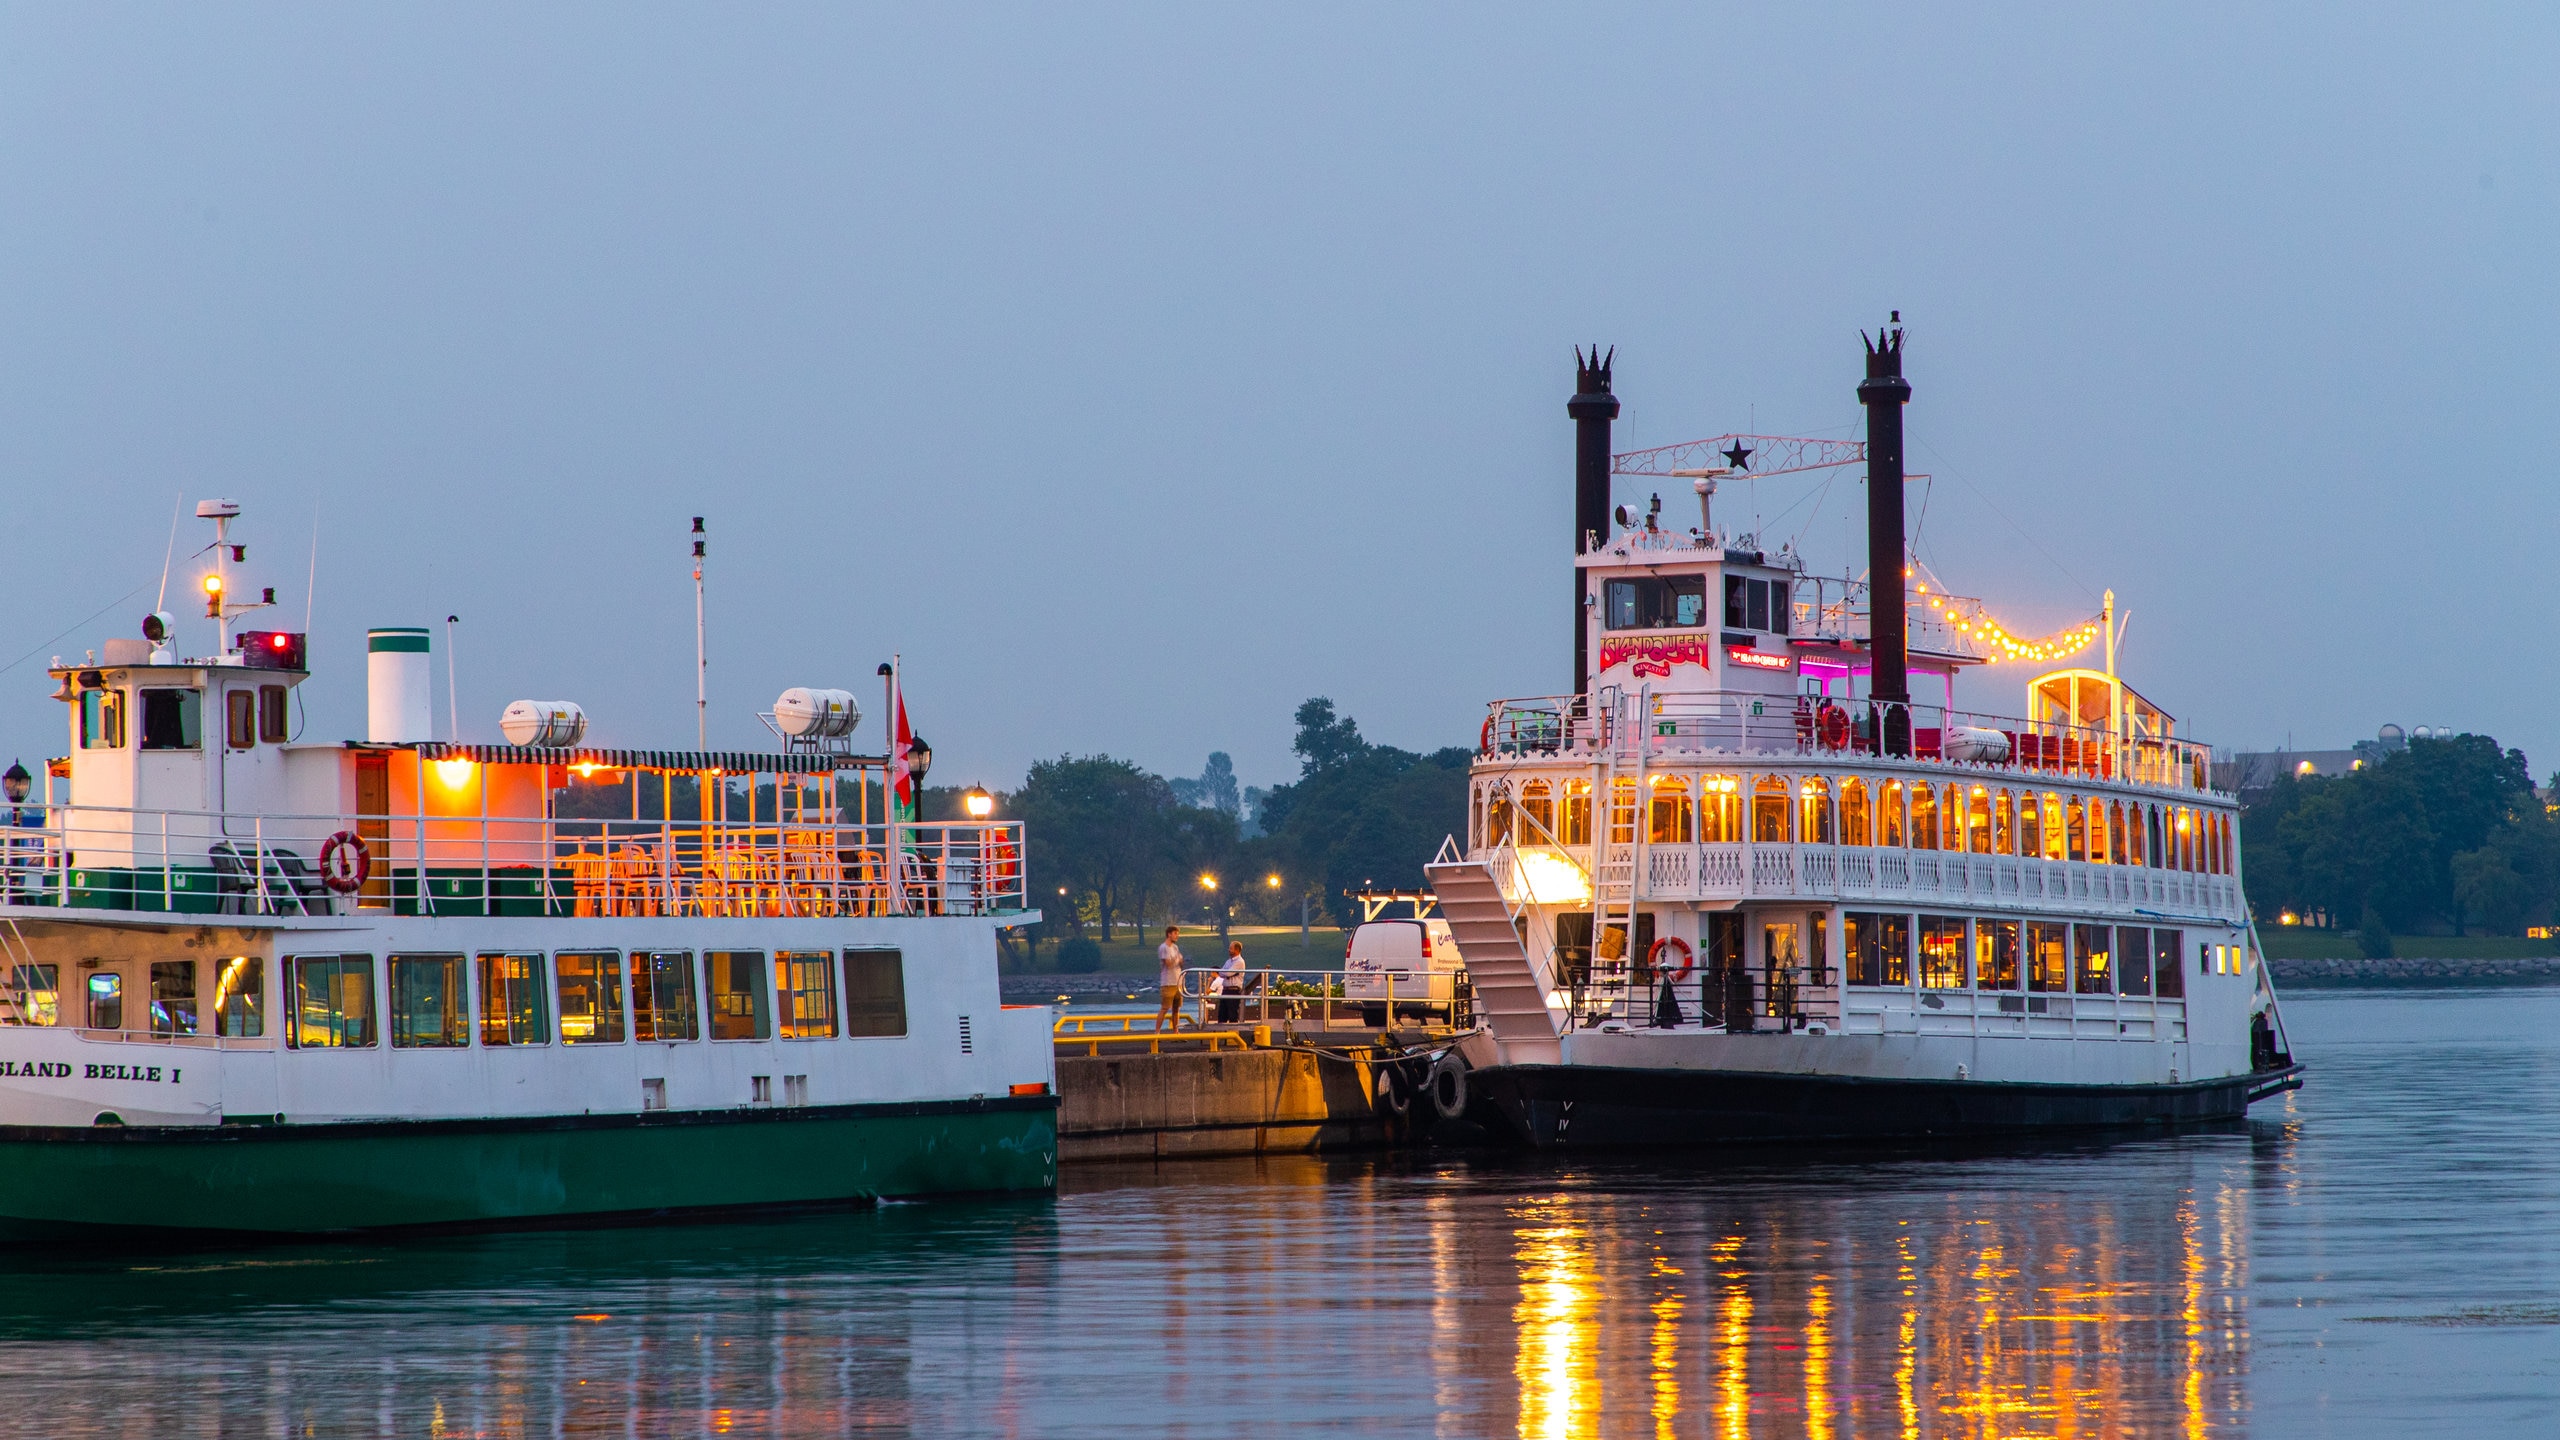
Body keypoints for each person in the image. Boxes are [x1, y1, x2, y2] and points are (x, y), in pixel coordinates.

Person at [1155, 926, 1186, 1032]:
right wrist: (1177, 959)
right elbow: (1168, 963)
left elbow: (1180, 963)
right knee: (1165, 1008)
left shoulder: (1175, 948)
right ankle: (1157, 1032)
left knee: (1176, 1009)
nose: (1177, 936)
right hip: (1168, 982)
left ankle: (1176, 1031)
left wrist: (1181, 961)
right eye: (1175, 933)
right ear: (1169, 934)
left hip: (1178, 981)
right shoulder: (1164, 948)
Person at [1214, 941, 1247, 1024]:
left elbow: (1228, 973)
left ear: (1236, 950)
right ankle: (1221, 1035)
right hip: (1225, 990)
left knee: (1232, 1014)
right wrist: (1226, 974)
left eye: (1231, 948)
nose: (1229, 950)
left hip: (1233, 990)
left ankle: (1233, 1034)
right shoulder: (1228, 961)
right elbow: (1221, 973)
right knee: (1222, 1014)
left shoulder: (1240, 961)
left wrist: (1226, 973)